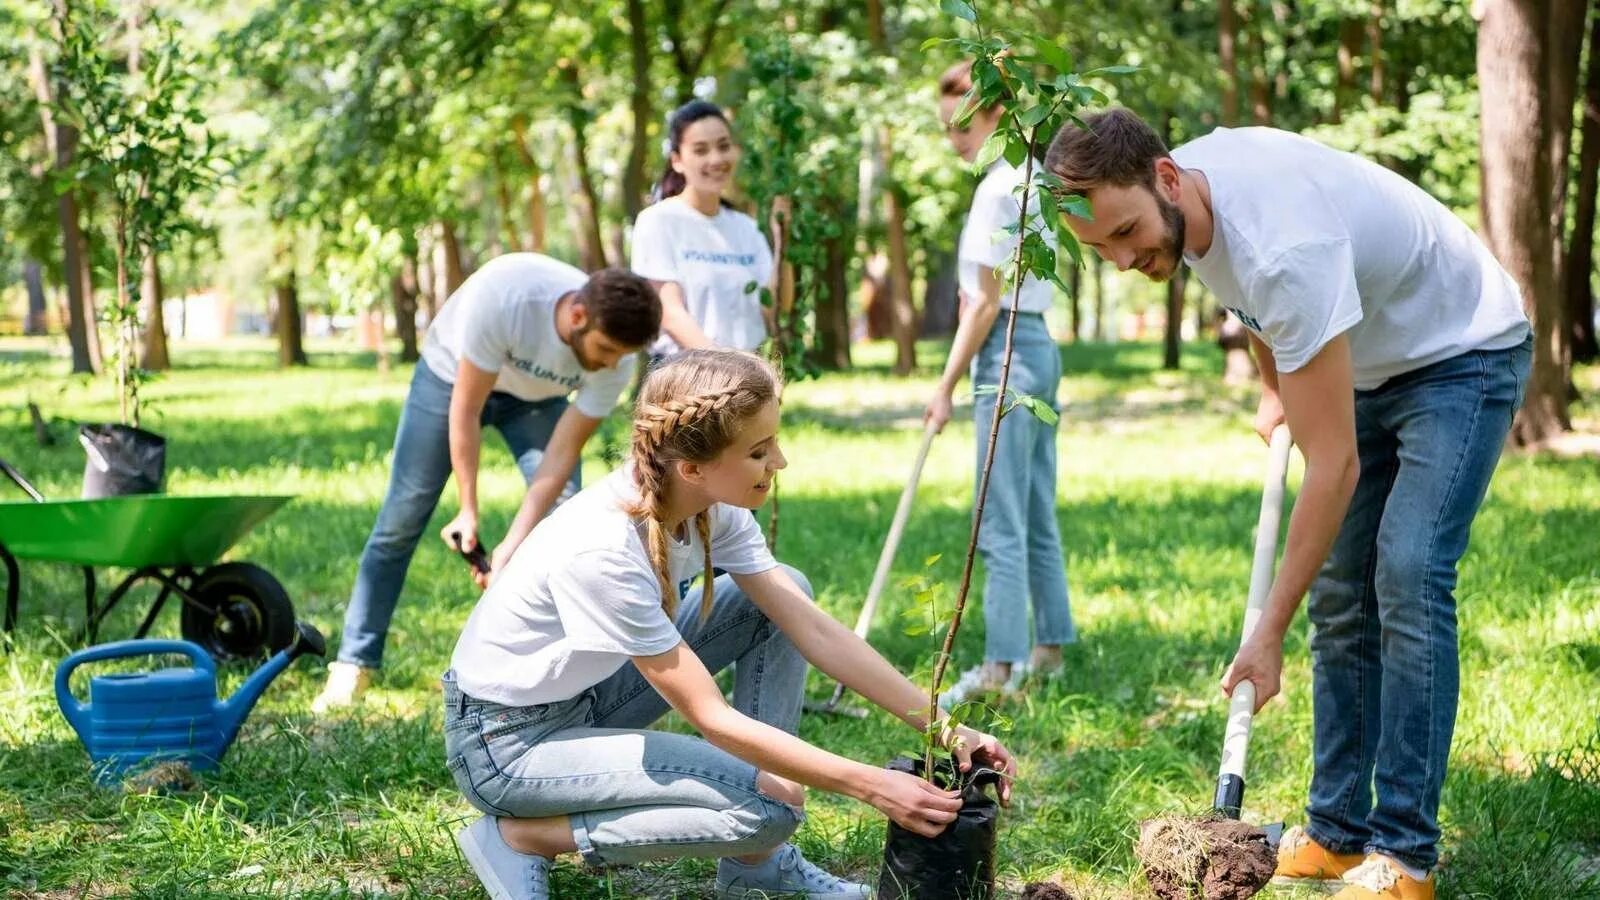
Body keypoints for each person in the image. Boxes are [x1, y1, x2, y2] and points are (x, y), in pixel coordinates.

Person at [1045, 109, 1531, 900]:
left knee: (1405, 574)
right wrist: (1276, 386)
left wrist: (1265, 634)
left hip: (1460, 353)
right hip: (1365, 360)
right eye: (1101, 249)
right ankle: (1339, 835)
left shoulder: (1283, 241)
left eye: (1128, 233)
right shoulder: (1183, 205)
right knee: (1341, 593)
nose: (1125, 258)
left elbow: (1331, 466)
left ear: (1166, 177)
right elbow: (1253, 303)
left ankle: (1406, 856)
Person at [442, 349, 1016, 900]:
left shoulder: (712, 508)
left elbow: (814, 631)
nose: (780, 463)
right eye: (760, 451)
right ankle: (520, 836)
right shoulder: (605, 549)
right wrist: (870, 784)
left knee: (783, 595)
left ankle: (755, 866)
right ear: (692, 467)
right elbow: (710, 717)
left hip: (589, 697)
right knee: (770, 807)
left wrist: (947, 729)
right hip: (508, 745)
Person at [311, 255, 661, 714]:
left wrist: (512, 545)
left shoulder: (615, 360)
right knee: (402, 516)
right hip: (450, 379)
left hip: (536, 402)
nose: (611, 364)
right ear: (578, 316)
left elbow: (558, 460)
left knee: (565, 517)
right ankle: (353, 663)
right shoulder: (507, 298)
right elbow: (466, 411)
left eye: (621, 356)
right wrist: (467, 510)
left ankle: (554, 675)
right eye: (606, 349)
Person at [924, 60, 1077, 705]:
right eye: (947, 129)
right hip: (1040, 346)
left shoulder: (997, 188)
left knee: (1001, 516)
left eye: (962, 125)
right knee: (1035, 503)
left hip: (1009, 348)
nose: (955, 139)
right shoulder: (1034, 179)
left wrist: (944, 385)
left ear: (994, 114)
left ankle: (1000, 667)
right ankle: (1050, 648)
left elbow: (984, 305)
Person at [630, 100, 787, 361]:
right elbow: (670, 313)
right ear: (677, 160)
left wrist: (783, 237)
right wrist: (728, 367)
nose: (716, 159)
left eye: (724, 146)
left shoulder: (747, 227)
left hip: (748, 374)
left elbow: (775, 308)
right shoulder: (658, 221)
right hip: (685, 373)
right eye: (700, 150)